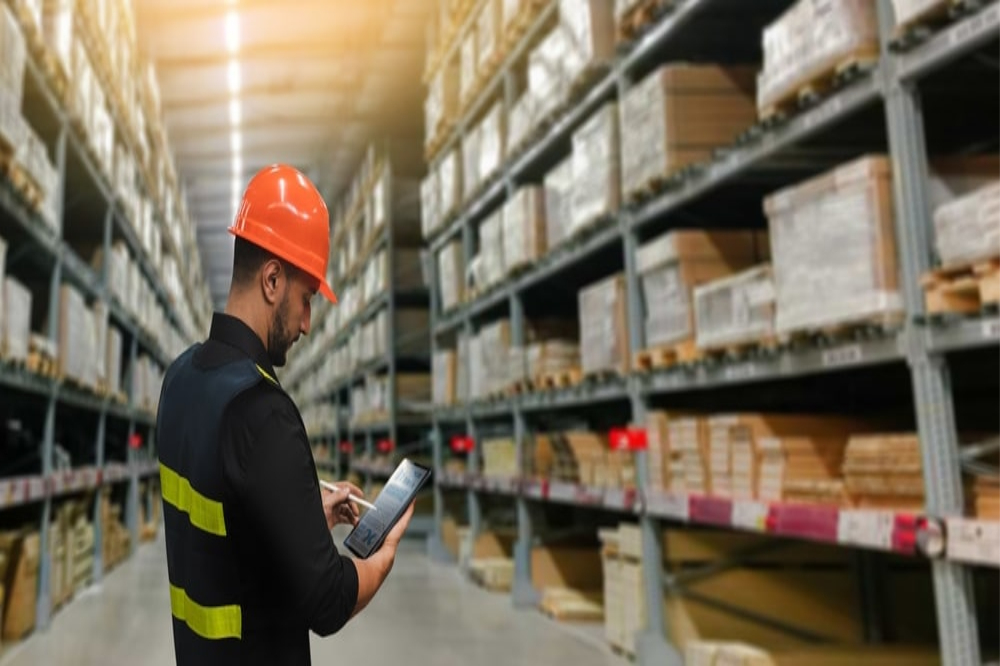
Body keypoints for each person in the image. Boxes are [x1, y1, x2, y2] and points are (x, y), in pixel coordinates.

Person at [155, 164, 413, 666]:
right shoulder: (263, 412)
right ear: (272, 279)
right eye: (306, 298)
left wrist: (298, 516)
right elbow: (328, 600)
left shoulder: (179, 378)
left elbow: (223, 523)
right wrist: (382, 556)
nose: (308, 324)